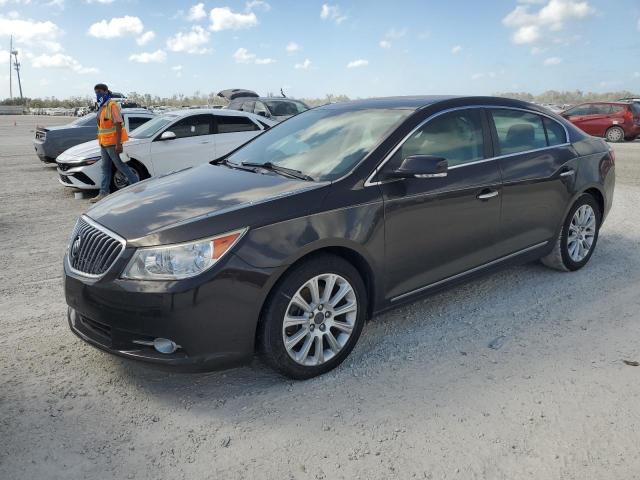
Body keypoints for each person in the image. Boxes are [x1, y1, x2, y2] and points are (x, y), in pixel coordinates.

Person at [90, 83, 138, 203]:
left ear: (106, 91)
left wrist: (118, 144)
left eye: (100, 92)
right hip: (103, 143)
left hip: (112, 143)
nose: (98, 94)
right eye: (96, 92)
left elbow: (118, 124)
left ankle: (138, 188)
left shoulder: (112, 105)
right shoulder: (101, 106)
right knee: (105, 168)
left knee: (121, 166)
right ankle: (103, 193)